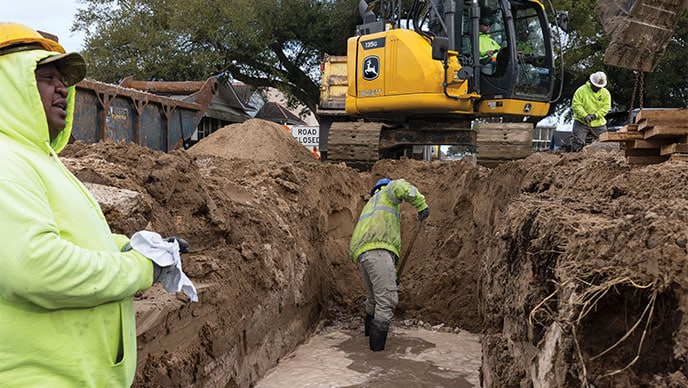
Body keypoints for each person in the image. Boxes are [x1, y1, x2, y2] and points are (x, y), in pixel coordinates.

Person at [0, 22, 196, 386]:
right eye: (45, 77)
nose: (63, 89)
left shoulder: (37, 159)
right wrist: (140, 268)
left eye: (62, 79)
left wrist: (127, 245)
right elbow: (36, 268)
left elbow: (54, 237)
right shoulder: (5, 162)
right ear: (8, 85)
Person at [349, 178, 429, 351]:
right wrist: (421, 204)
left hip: (363, 254)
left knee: (373, 300)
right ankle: (376, 356)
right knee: (387, 300)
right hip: (378, 249)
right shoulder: (387, 192)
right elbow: (401, 186)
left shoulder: (371, 204)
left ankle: (368, 342)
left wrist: (391, 274)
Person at [571, 71, 612, 152]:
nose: (598, 88)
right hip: (581, 122)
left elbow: (606, 107)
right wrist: (585, 115)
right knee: (578, 143)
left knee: (604, 143)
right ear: (591, 82)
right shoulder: (581, 91)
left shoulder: (605, 93)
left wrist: (595, 115)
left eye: (600, 87)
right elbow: (576, 105)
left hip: (598, 122)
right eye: (596, 86)